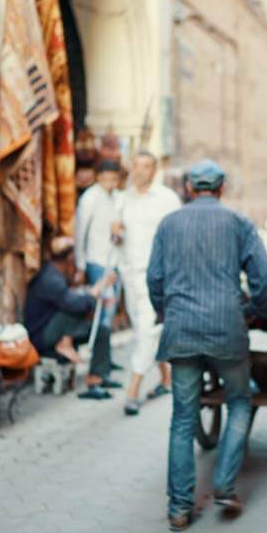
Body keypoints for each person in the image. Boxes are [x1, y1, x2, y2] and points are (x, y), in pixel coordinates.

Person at [147, 160, 267, 532]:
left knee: (183, 417)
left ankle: (179, 508)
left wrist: (166, 313)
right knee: (239, 400)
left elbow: (154, 279)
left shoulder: (168, 224)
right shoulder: (238, 223)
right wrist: (256, 310)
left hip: (181, 331)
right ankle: (223, 485)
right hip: (226, 330)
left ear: (189, 187)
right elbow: (263, 281)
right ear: (221, 188)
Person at [112, 151, 182, 416]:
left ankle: (133, 390)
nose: (141, 171)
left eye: (147, 166)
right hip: (130, 274)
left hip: (157, 277)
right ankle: (166, 378)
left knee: (147, 331)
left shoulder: (166, 199)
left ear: (154, 170)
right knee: (147, 330)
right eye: (137, 166)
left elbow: (178, 236)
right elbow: (117, 236)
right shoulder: (122, 199)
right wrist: (115, 232)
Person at [23, 237, 116, 398]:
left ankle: (97, 377)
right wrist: (99, 287)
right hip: (42, 336)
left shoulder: (55, 274)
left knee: (102, 331)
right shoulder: (50, 279)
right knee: (76, 308)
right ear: (70, 257)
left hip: (55, 329)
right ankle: (64, 343)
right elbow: (76, 305)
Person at [74, 159, 123, 397]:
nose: (110, 183)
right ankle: (95, 375)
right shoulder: (90, 198)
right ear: (98, 177)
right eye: (106, 178)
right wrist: (81, 264)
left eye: (114, 179)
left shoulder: (117, 198)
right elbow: (80, 231)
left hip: (114, 262)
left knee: (108, 317)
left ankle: (104, 370)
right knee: (101, 319)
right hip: (97, 262)